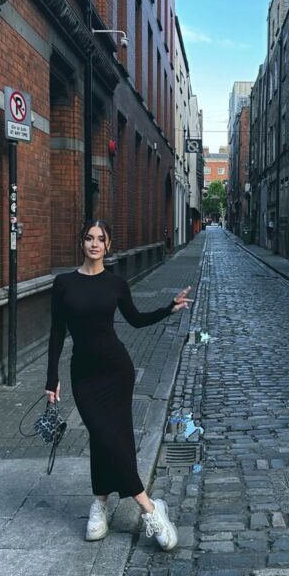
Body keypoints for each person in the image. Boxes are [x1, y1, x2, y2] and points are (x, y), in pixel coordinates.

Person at [45, 219, 192, 550]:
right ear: (81, 243)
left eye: (101, 239)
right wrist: (51, 378)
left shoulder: (116, 283)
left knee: (114, 439)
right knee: (102, 436)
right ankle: (146, 507)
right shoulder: (64, 284)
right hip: (84, 376)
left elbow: (136, 320)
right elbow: (56, 333)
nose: (94, 244)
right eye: (89, 238)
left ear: (108, 245)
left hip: (116, 371)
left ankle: (107, 504)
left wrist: (169, 308)